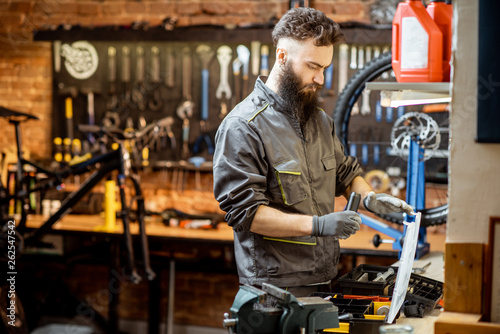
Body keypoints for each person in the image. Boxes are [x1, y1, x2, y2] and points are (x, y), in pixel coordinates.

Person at [212, 7, 413, 297]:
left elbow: (345, 174)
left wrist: (371, 198)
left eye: (324, 69)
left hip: (324, 278)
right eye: (312, 67)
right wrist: (318, 225)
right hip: (273, 291)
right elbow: (246, 212)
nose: (320, 79)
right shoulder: (243, 127)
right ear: (282, 57)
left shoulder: (318, 120)